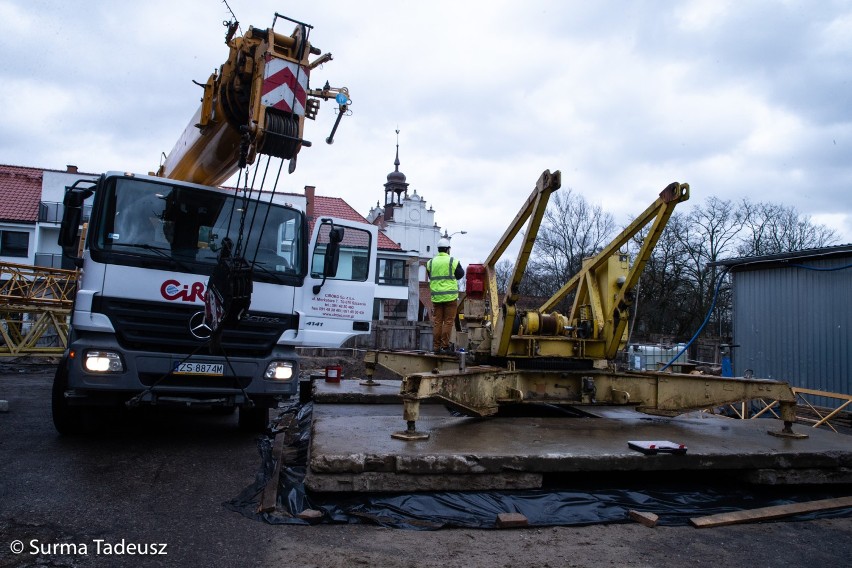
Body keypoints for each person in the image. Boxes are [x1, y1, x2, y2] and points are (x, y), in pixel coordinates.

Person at [426, 237, 465, 354]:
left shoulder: (430, 262)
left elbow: (430, 276)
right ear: (448, 249)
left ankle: (436, 347)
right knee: (448, 322)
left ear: (438, 249)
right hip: (450, 297)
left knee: (438, 322)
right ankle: (445, 346)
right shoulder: (453, 261)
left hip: (436, 298)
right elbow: (460, 275)